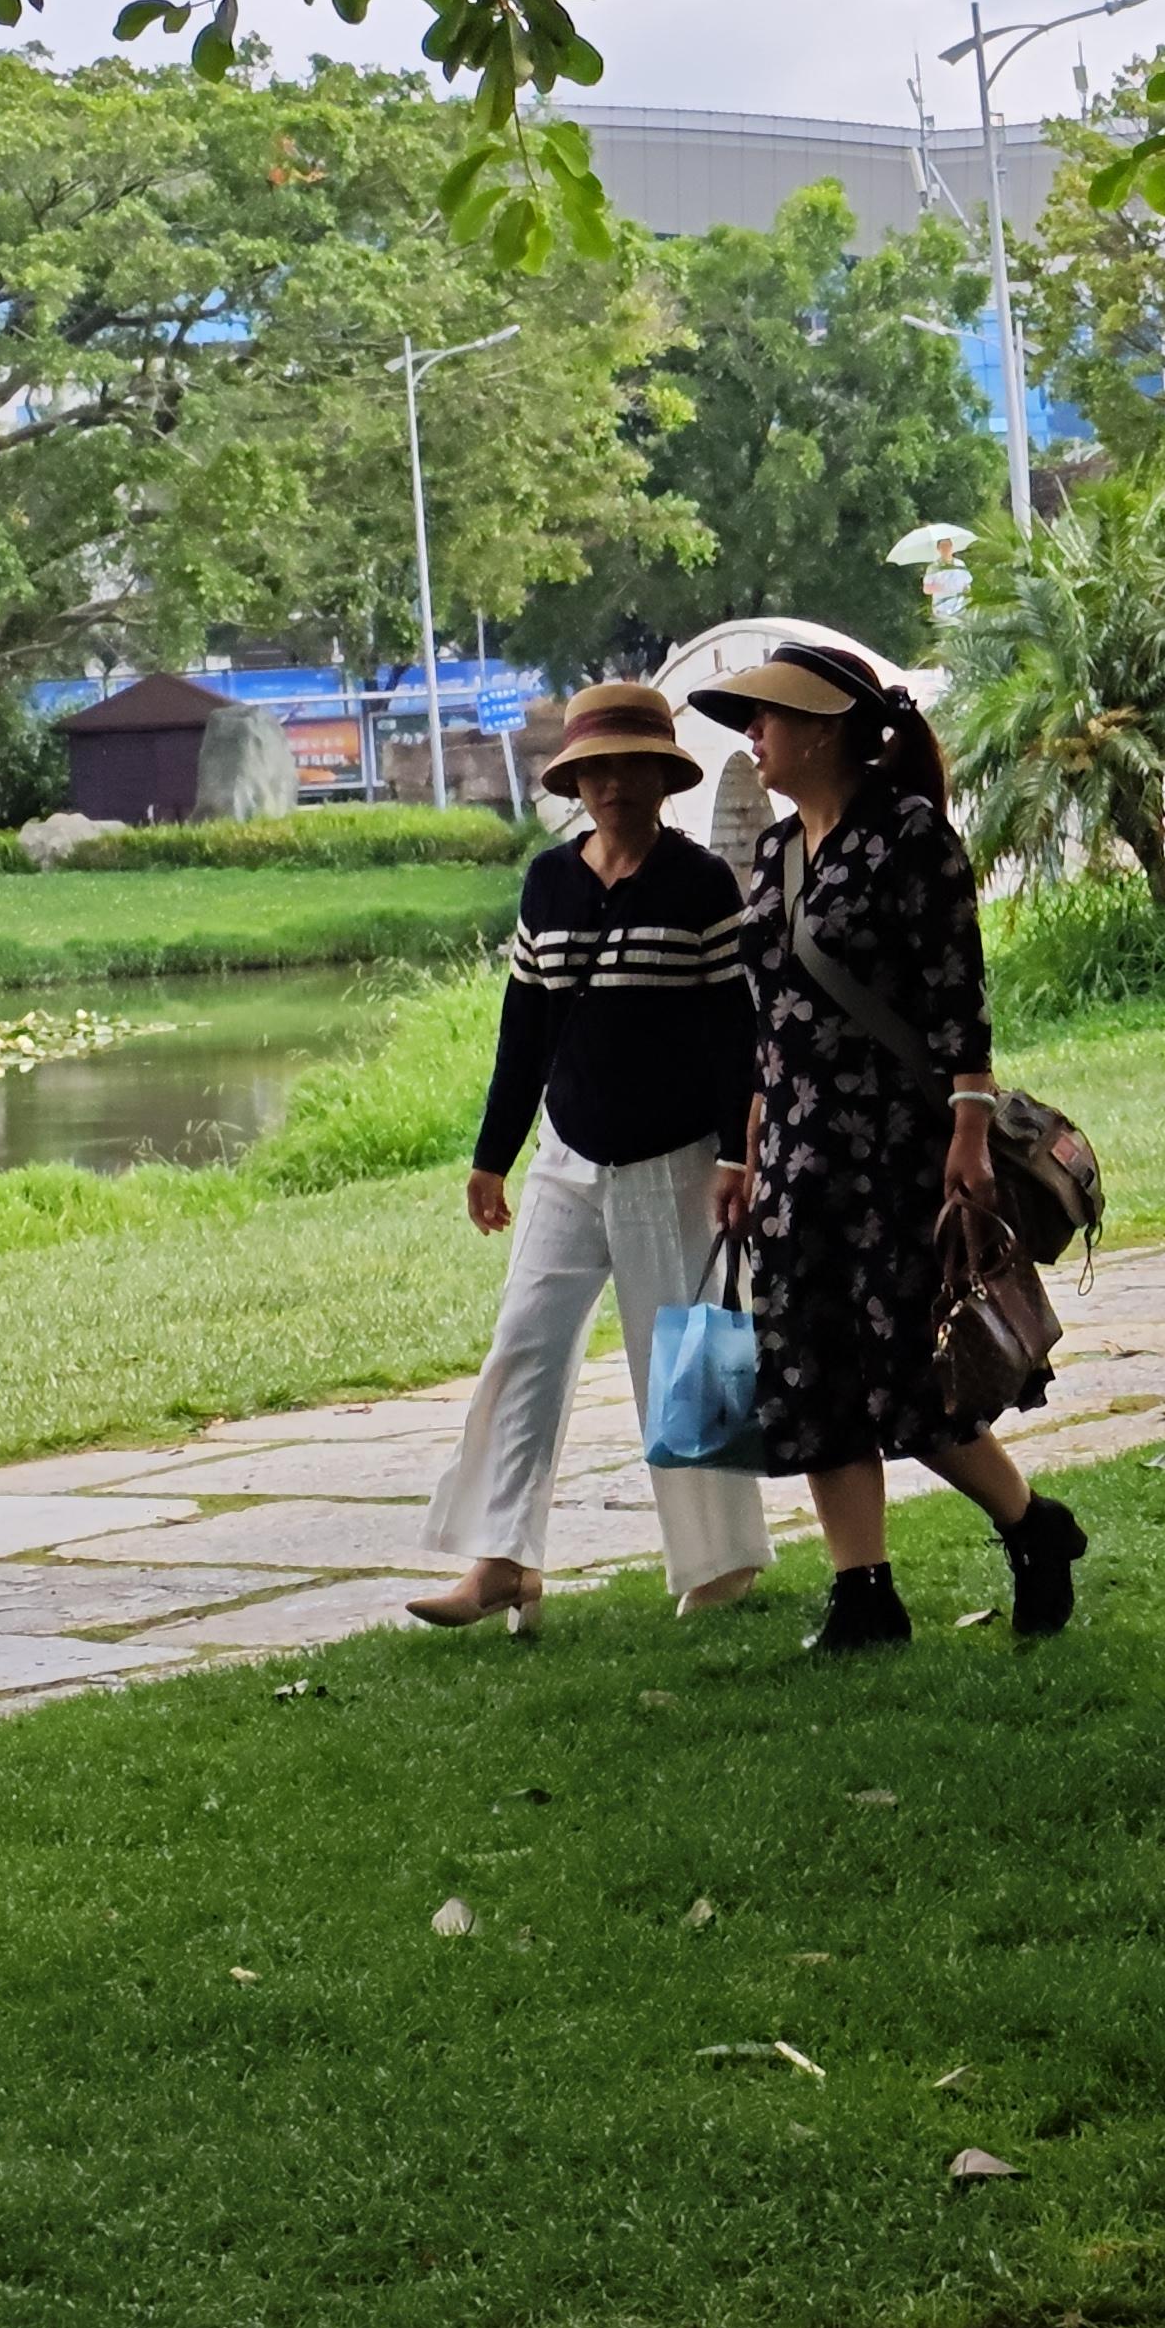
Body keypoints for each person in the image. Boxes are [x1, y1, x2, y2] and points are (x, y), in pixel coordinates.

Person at [693, 640, 1085, 1654]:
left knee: (910, 1374)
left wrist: (969, 1132)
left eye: (768, 717)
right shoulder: (775, 851)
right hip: (794, 1158)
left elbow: (959, 998)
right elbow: (765, 1018)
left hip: (894, 1149)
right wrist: (746, 1151)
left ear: (824, 730)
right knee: (811, 1375)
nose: (753, 735)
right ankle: (862, 1593)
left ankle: (1030, 1523)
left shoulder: (909, 836)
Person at [413, 682, 773, 1639]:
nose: (614, 785)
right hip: (565, 1158)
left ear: (662, 776)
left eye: (631, 767)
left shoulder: (701, 885)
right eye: (596, 769)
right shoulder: (548, 883)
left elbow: (736, 1033)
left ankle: (721, 1562)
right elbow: (523, 1031)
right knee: (524, 1346)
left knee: (683, 1361)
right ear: (574, 781)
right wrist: (491, 1157)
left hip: (676, 1161)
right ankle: (501, 1562)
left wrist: (738, 1155)